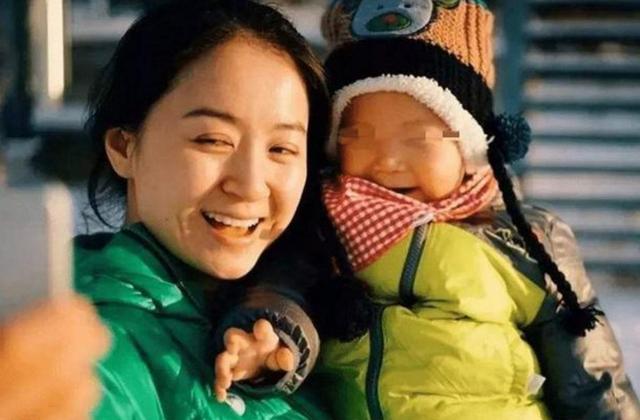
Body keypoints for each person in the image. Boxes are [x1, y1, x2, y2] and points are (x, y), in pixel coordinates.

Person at [299, 0, 640, 419]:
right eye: (359, 137)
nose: (387, 159)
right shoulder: (320, 230)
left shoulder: (523, 240)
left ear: (469, 147)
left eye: (418, 138)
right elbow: (279, 296)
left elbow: (591, 378)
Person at [4, 0, 333, 418]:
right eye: (212, 140)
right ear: (124, 147)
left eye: (281, 149)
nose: (251, 184)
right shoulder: (92, 349)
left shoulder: (312, 323)